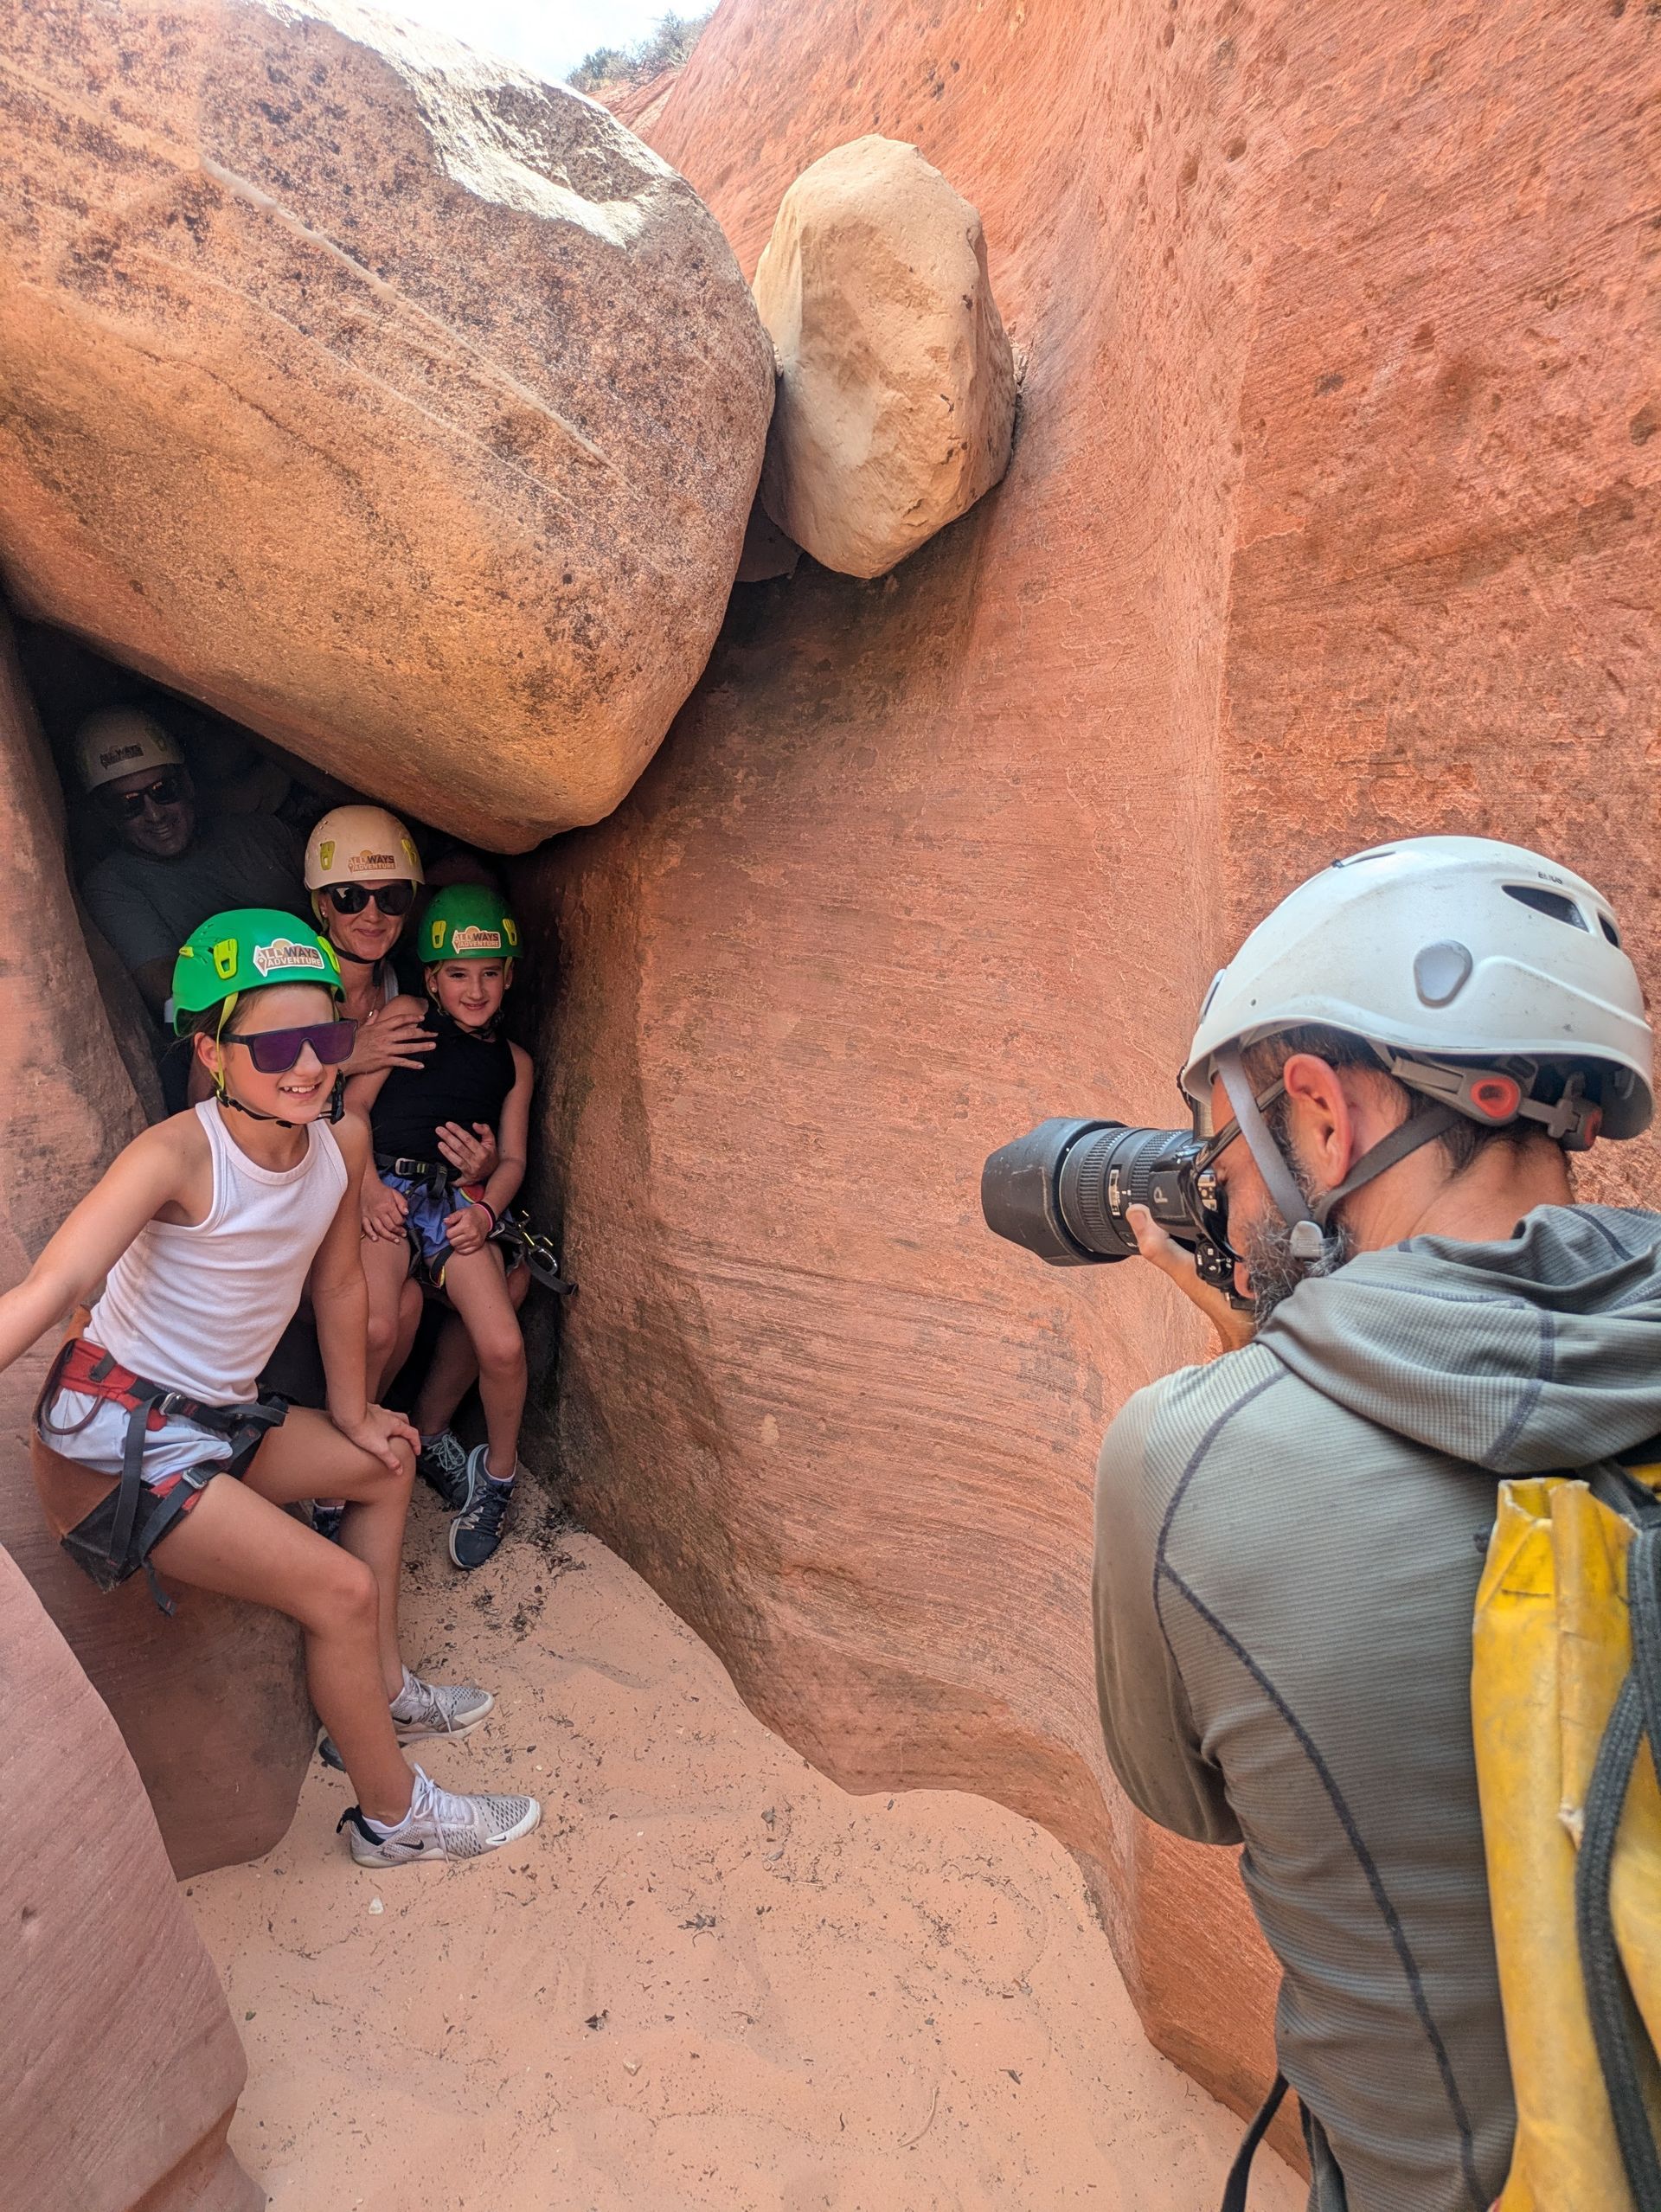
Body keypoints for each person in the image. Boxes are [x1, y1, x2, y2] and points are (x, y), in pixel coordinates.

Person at [1091, 837, 1661, 2211]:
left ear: (1326, 1115)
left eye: (1231, 1147)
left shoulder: (1182, 1462)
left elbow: (1184, 1796)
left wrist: (1251, 1394)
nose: (1224, 1197)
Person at [9, 907, 540, 1868]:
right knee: (335, 1586)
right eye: (277, 1046)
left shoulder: (339, 1144)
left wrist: (351, 1411)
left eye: (328, 1038)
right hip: (115, 1445)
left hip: (212, 1419)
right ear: (212, 1051)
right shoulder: (177, 1152)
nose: (309, 1066)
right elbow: (55, 1286)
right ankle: (394, 1819)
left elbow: (338, 1281)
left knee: (384, 1461)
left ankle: (371, 1698)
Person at [349, 885, 535, 1572]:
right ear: (431, 977)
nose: (476, 989)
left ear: (510, 974)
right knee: (372, 1325)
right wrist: (367, 1187)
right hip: (388, 1191)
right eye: (458, 973)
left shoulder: (514, 1063)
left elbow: (513, 1158)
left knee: (505, 1344)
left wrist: (486, 1212)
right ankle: (348, 1470)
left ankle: (498, 1482)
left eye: (490, 972)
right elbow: (355, 1108)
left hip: (456, 1201)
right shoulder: (407, 1015)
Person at [75, 708, 306, 1017]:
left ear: (187, 783)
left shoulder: (257, 833)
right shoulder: (114, 887)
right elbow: (177, 1001)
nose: (155, 815)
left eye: (162, 791)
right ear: (107, 816)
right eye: (128, 805)